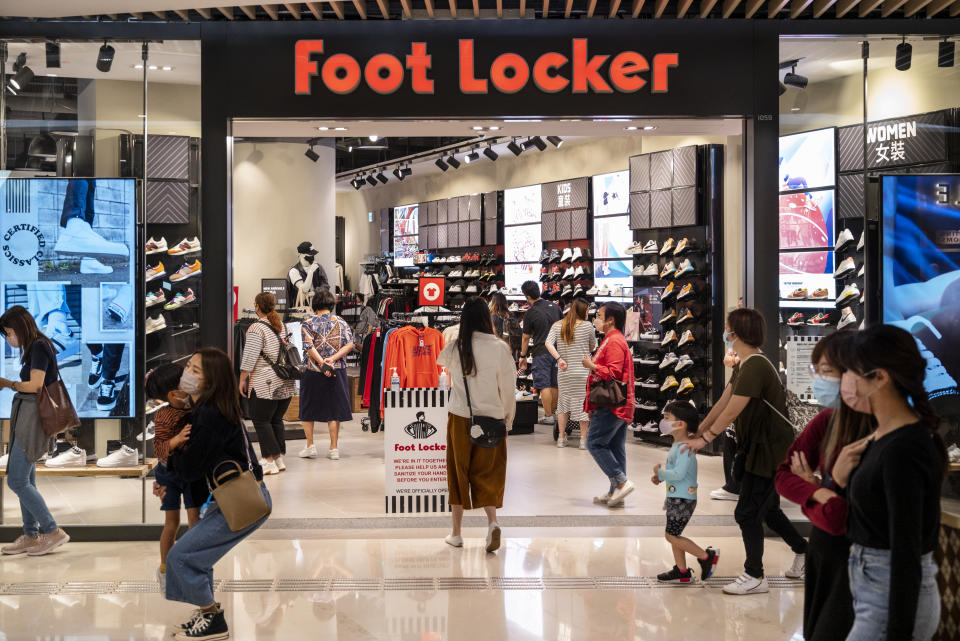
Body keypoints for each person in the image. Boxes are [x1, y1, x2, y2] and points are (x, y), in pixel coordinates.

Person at [831, 325, 946, 641]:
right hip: (871, 588)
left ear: (879, 377)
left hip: (890, 597)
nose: (846, 381)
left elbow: (906, 550)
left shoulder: (905, 449)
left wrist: (899, 632)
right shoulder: (882, 437)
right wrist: (839, 481)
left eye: (851, 371)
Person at [682, 308, 807, 595]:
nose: (725, 333)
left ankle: (755, 575)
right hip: (758, 446)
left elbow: (732, 411)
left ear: (735, 333)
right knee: (769, 509)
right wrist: (698, 431)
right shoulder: (744, 365)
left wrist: (704, 441)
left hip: (770, 449)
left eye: (727, 328)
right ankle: (803, 552)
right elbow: (721, 404)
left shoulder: (756, 366)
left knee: (747, 513)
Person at [164, 348, 271, 641]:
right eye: (188, 366)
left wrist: (172, 448)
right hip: (229, 497)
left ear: (212, 380)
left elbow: (190, 468)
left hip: (240, 501)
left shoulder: (210, 416)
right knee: (197, 556)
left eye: (196, 371)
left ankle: (213, 619)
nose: (188, 373)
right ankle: (205, 614)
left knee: (181, 557)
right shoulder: (208, 410)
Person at [775, 330, 872, 641]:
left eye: (826, 371)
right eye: (816, 370)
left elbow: (841, 514)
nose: (818, 378)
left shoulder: (878, 429)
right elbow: (783, 475)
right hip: (824, 549)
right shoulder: (828, 420)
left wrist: (822, 492)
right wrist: (818, 490)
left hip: (859, 558)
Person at [437, 297, 516, 554]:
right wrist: (508, 419)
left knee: (459, 473)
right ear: (487, 317)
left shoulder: (455, 347)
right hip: (492, 418)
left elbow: (445, 373)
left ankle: (457, 533)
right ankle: (492, 523)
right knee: (489, 473)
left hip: (460, 418)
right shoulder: (500, 348)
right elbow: (508, 388)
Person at [0, 306, 70, 557]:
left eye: (9, 332)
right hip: (27, 414)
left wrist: (7, 384)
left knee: (16, 480)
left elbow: (36, 385)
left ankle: (52, 531)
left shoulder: (39, 346)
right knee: (26, 479)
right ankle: (30, 534)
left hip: (33, 416)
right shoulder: (35, 346)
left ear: (20, 326)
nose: (9, 338)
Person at [146, 362, 199, 591]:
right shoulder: (164, 416)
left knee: (195, 522)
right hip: (169, 473)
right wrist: (176, 440)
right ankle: (166, 567)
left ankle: (193, 564)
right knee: (172, 523)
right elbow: (159, 449)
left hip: (191, 472)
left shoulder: (195, 408)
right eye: (184, 379)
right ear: (172, 392)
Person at [652, 401, 719, 583]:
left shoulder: (684, 447)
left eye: (666, 418)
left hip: (683, 499)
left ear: (680, 424)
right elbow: (676, 472)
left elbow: (679, 474)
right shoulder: (678, 445)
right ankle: (682, 572)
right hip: (677, 497)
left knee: (671, 535)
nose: (663, 422)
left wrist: (661, 473)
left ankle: (706, 557)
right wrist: (661, 478)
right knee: (675, 535)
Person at [583, 302, 636, 508]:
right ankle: (617, 492)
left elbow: (613, 373)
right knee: (615, 446)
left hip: (610, 403)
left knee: (594, 442)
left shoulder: (614, 341)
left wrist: (592, 365)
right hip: (618, 402)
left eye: (600, 315)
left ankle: (621, 482)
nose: (597, 318)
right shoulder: (613, 339)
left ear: (610, 319)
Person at [239, 292, 297, 475]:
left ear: (257, 306)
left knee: (261, 420)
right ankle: (279, 459)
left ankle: (268, 460)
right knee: (275, 420)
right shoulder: (284, 327)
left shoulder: (256, 328)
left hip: (266, 383)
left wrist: (242, 379)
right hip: (286, 382)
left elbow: (250, 356)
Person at [298, 289, 355, 461]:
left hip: (313, 370)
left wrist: (322, 363)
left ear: (315, 304)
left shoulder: (307, 322)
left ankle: (310, 446)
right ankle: (333, 448)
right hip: (337, 369)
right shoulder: (341, 321)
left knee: (307, 408)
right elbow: (350, 345)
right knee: (334, 409)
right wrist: (332, 359)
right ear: (331, 304)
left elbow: (308, 347)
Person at [545, 298, 596, 449]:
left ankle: (561, 438)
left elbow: (548, 343)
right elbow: (592, 346)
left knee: (563, 403)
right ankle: (583, 440)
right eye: (587, 310)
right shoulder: (587, 326)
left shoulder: (558, 325)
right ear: (582, 311)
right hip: (583, 372)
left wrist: (559, 358)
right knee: (583, 404)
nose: (588, 313)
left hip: (564, 371)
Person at [518, 281, 562, 427]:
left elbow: (525, 337)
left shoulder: (530, 313)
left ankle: (548, 416)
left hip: (541, 351)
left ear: (527, 296)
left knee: (544, 384)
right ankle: (554, 414)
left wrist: (523, 356)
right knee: (554, 383)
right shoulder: (555, 307)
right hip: (557, 351)